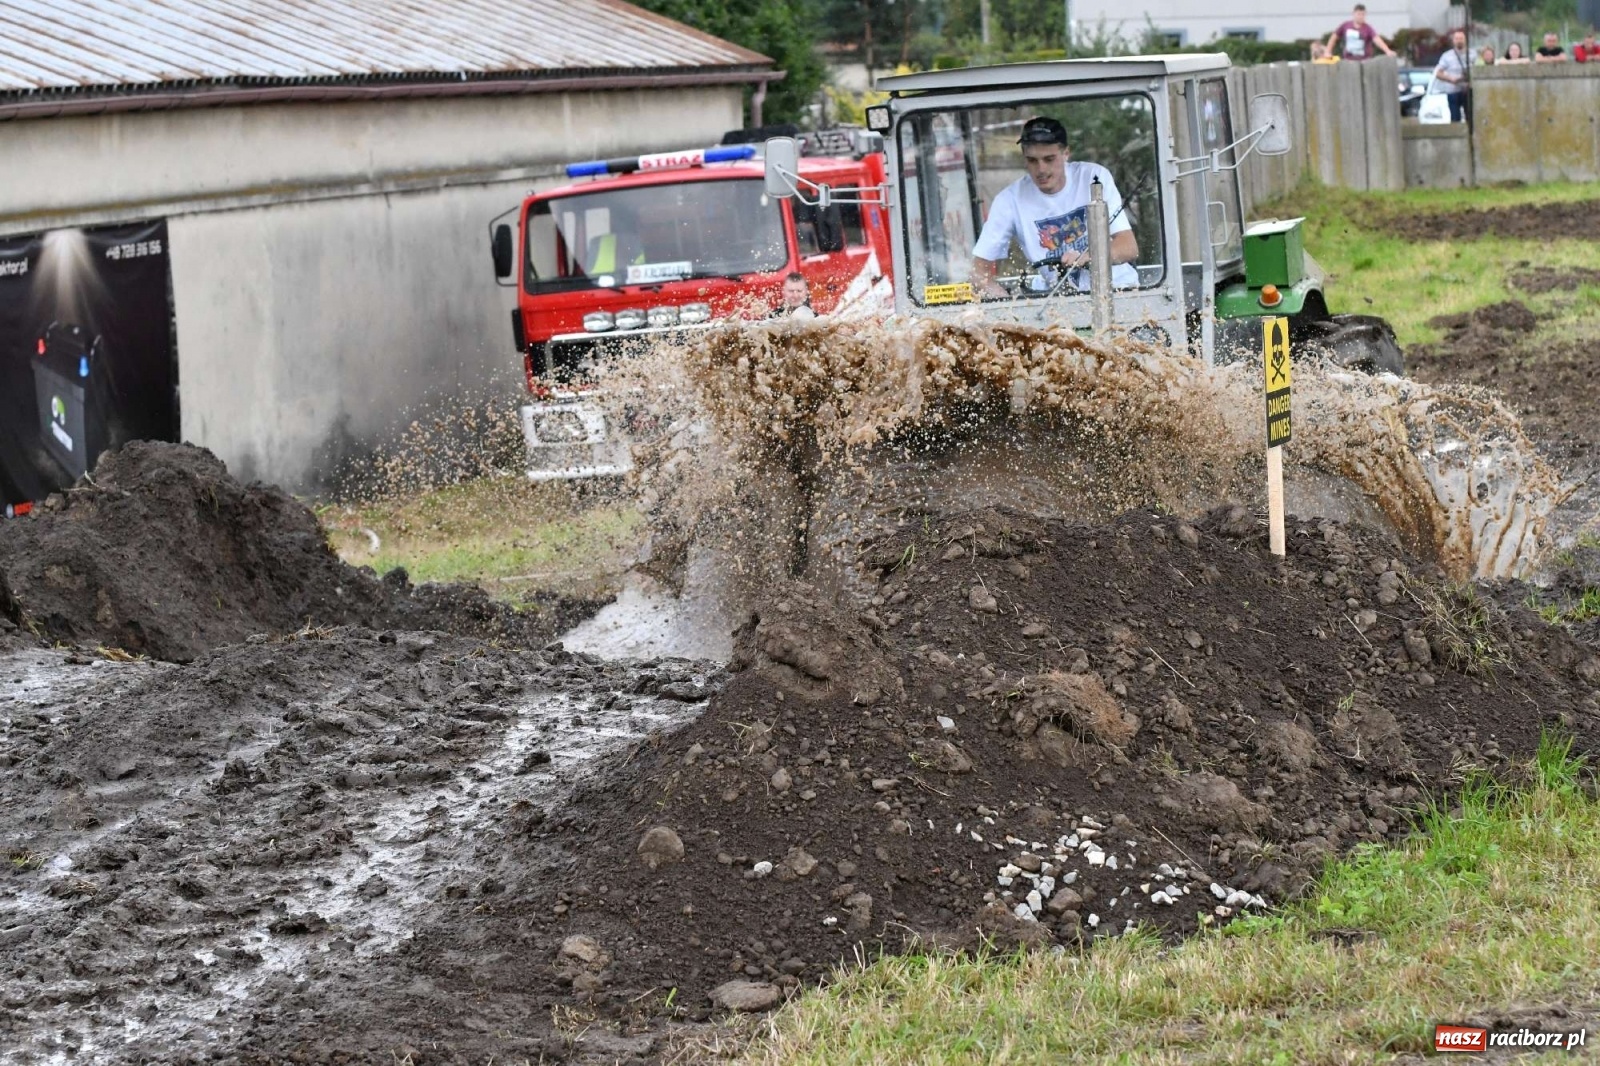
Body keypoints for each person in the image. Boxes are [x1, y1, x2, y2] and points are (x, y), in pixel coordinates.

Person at [971, 117, 1139, 299]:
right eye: (1032, 160)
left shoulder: (1093, 177)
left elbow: (1128, 247)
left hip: (1120, 291)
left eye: (1049, 159)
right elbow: (979, 274)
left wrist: (1090, 256)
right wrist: (1010, 311)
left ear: (1066, 153)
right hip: (1055, 304)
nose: (1041, 169)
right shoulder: (1009, 200)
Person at [1325, 4, 1396, 61]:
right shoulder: (1345, 25)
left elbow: (1377, 39)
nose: (1361, 17)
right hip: (1349, 60)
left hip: (1364, 60)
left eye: (1363, 14)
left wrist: (1387, 51)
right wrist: (1328, 51)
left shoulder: (1368, 28)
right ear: (1353, 14)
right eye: (1359, 14)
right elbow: (1334, 37)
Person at [1432, 29, 1471, 124]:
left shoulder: (1472, 54)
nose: (1459, 40)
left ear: (1465, 40)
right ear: (1453, 41)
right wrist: (1451, 79)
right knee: (1455, 118)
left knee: (1470, 118)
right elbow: (1438, 73)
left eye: (1461, 38)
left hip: (1468, 90)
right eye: (1457, 38)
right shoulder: (1447, 56)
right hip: (1453, 90)